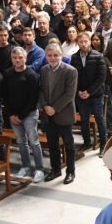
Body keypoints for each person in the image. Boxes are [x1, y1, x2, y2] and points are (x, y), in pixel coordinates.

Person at [2, 47, 44, 183]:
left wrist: (20, 116)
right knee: (21, 141)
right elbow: (5, 96)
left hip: (29, 114)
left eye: (20, 57)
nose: (18, 60)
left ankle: (39, 168)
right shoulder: (8, 73)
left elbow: (33, 99)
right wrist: (11, 114)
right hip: (13, 115)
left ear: (25, 58)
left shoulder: (31, 74)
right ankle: (25, 166)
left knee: (34, 141)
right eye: (15, 58)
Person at [39, 43, 77, 185]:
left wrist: (54, 108)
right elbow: (41, 90)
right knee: (52, 144)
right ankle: (56, 170)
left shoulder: (70, 71)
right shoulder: (43, 70)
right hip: (49, 114)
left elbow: (69, 94)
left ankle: (70, 171)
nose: (52, 58)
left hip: (63, 113)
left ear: (61, 55)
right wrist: (45, 106)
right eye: (49, 55)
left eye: (55, 55)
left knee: (69, 145)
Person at [70, 31, 108, 156]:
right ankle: (87, 142)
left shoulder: (98, 56)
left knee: (99, 119)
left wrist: (89, 92)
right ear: (78, 43)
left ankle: (104, 144)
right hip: (81, 94)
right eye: (81, 42)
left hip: (95, 94)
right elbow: (73, 77)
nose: (84, 44)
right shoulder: (74, 57)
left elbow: (101, 78)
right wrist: (78, 92)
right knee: (84, 120)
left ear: (90, 41)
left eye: (86, 41)